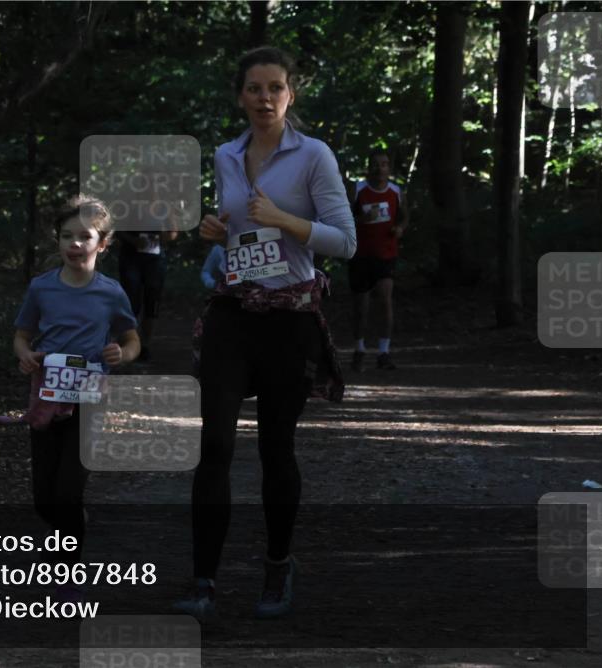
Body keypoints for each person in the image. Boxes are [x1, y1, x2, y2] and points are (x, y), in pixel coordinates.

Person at [175, 47, 355, 620]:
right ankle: (204, 580)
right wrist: (214, 228)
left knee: (276, 449)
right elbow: (235, 228)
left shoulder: (314, 156)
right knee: (215, 447)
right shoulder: (227, 155)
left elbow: (345, 241)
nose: (264, 98)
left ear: (290, 95)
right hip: (233, 312)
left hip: (290, 319)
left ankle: (278, 567)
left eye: (275, 88)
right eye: (254, 88)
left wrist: (286, 221)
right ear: (240, 96)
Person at [13, 195, 140, 599]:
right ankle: (69, 525)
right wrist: (26, 356)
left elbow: (131, 338)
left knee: (68, 490)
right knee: (43, 498)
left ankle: (66, 567)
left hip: (89, 396)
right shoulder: (41, 287)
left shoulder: (111, 292)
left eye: (84, 236)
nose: (74, 244)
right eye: (67, 236)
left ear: (102, 243)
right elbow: (22, 335)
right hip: (47, 394)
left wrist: (122, 354)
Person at [348, 149, 409, 371]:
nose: (379, 168)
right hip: (360, 255)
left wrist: (399, 228)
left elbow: (404, 216)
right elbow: (342, 216)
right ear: (368, 167)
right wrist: (359, 219)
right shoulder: (357, 189)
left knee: (385, 299)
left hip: (386, 254)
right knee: (361, 306)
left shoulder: (395, 191)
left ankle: (384, 351)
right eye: (375, 164)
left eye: (384, 164)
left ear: (389, 168)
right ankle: (359, 348)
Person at [117, 213, 178, 362]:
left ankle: (145, 346)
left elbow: (173, 232)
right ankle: (130, 343)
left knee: (152, 303)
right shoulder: (129, 205)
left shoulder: (164, 207)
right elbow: (117, 230)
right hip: (131, 259)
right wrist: (134, 241)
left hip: (154, 261)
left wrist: (163, 238)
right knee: (131, 303)